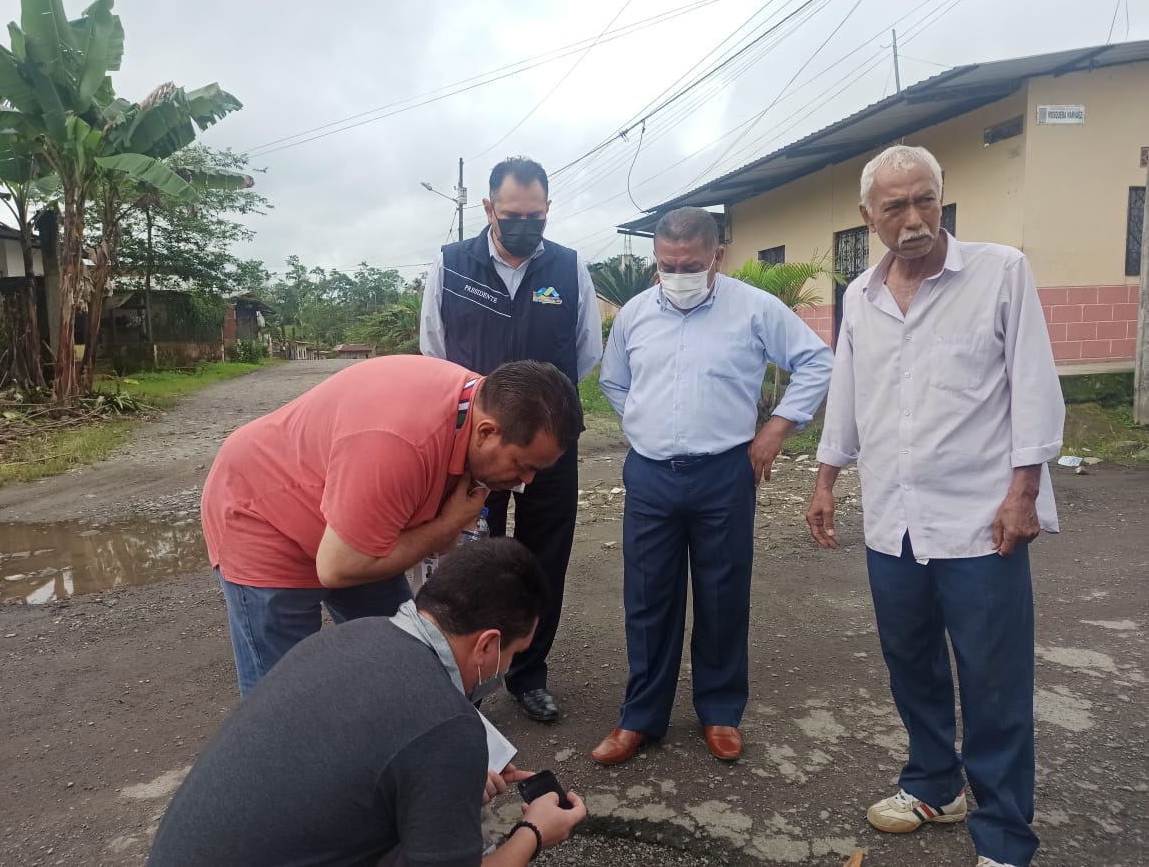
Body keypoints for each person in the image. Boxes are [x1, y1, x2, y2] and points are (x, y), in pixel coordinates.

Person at [805, 145, 1065, 867]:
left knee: (993, 682)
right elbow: (848, 393)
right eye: (896, 207)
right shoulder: (860, 297)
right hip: (894, 520)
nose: (914, 219)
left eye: (926, 200)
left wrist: (1024, 492)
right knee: (910, 664)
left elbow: (1034, 386)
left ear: (941, 199)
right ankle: (934, 785)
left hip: (981, 522)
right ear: (869, 217)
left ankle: (1004, 839)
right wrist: (826, 480)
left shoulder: (1000, 272)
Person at [147, 537, 588, 867]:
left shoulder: (349, 636)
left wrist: (447, 786)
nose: (508, 666)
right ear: (487, 645)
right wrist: (533, 833)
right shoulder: (448, 726)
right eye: (514, 653)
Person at [593, 207, 833, 765]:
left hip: (724, 472)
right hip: (651, 475)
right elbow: (614, 381)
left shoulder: (754, 308)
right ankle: (640, 716)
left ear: (716, 258)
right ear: (655, 260)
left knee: (723, 594)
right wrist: (644, 425)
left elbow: (816, 361)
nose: (677, 275)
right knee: (647, 598)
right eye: (667, 265)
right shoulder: (635, 315)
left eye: (690, 265)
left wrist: (776, 428)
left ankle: (720, 711)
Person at [201, 356, 582, 695]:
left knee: (407, 658)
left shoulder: (478, 408)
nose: (526, 481)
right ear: (486, 432)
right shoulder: (402, 442)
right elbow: (337, 567)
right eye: (522, 466)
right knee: (285, 697)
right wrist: (448, 524)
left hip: (360, 525)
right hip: (263, 516)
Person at [420, 156, 603, 723]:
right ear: (488, 209)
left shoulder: (569, 268)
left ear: (547, 210)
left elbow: (586, 351)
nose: (524, 224)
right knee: (472, 558)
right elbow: (434, 353)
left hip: (550, 448)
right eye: (512, 215)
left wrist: (545, 417)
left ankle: (528, 674)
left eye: (535, 215)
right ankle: (464, 680)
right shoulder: (452, 265)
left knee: (545, 558)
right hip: (475, 447)